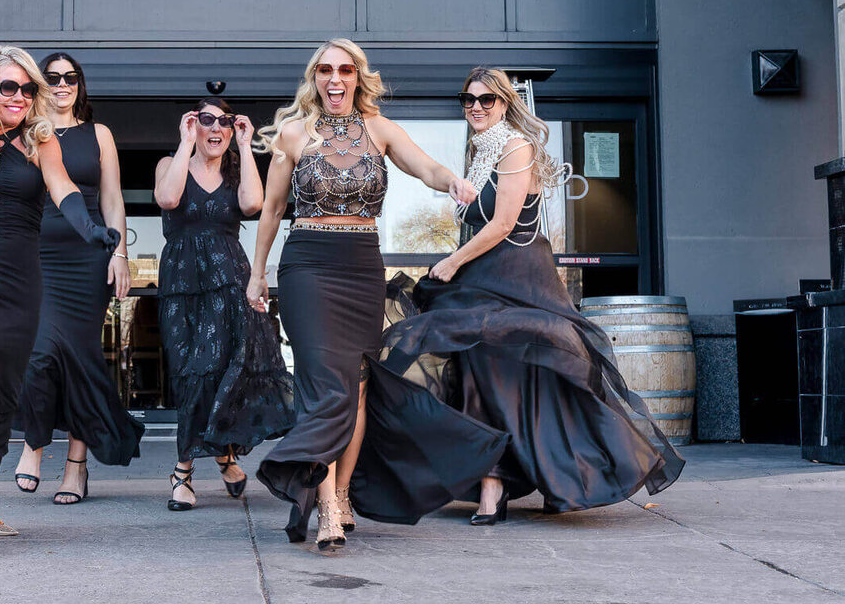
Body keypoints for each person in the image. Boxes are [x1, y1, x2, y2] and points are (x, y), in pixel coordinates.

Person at [350, 67, 684, 528]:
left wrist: (451, 262)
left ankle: (536, 479)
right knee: (478, 372)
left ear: (505, 104)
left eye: (487, 100)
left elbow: (504, 223)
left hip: (518, 277)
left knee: (524, 374)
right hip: (480, 278)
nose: (477, 108)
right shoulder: (479, 151)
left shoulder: (515, 147)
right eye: (469, 100)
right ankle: (501, 478)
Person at [246, 39, 477, 550]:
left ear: (357, 77)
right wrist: (258, 272)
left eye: (344, 70)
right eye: (325, 70)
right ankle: (325, 506)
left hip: (361, 265)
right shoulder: (292, 134)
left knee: (355, 388)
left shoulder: (380, 129)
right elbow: (272, 209)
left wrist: (452, 183)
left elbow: (425, 168)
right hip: (307, 264)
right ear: (314, 78)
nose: (334, 78)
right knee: (322, 384)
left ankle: (343, 491)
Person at [0, 45, 118, 553]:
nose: (19, 96)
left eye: (27, 88)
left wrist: (92, 229)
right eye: (9, 86)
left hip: (22, 280)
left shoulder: (41, 142)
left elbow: (63, 190)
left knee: (5, 397)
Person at [13, 52, 145, 505]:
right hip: (37, 256)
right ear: (40, 84)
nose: (63, 84)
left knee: (81, 359)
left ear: (79, 85)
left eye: (71, 77)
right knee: (40, 354)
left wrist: (121, 253)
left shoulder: (99, 134)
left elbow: (111, 198)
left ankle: (76, 467)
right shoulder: (25, 133)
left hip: (88, 257)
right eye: (53, 78)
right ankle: (33, 443)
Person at [155, 97, 295, 511]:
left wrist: (247, 146)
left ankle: (183, 472)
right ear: (193, 125)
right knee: (190, 374)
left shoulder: (237, 171)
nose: (216, 128)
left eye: (225, 123)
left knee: (221, 371)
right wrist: (185, 144)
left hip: (228, 280)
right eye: (206, 120)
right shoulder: (170, 163)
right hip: (181, 283)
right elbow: (166, 198)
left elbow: (254, 205)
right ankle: (224, 459)